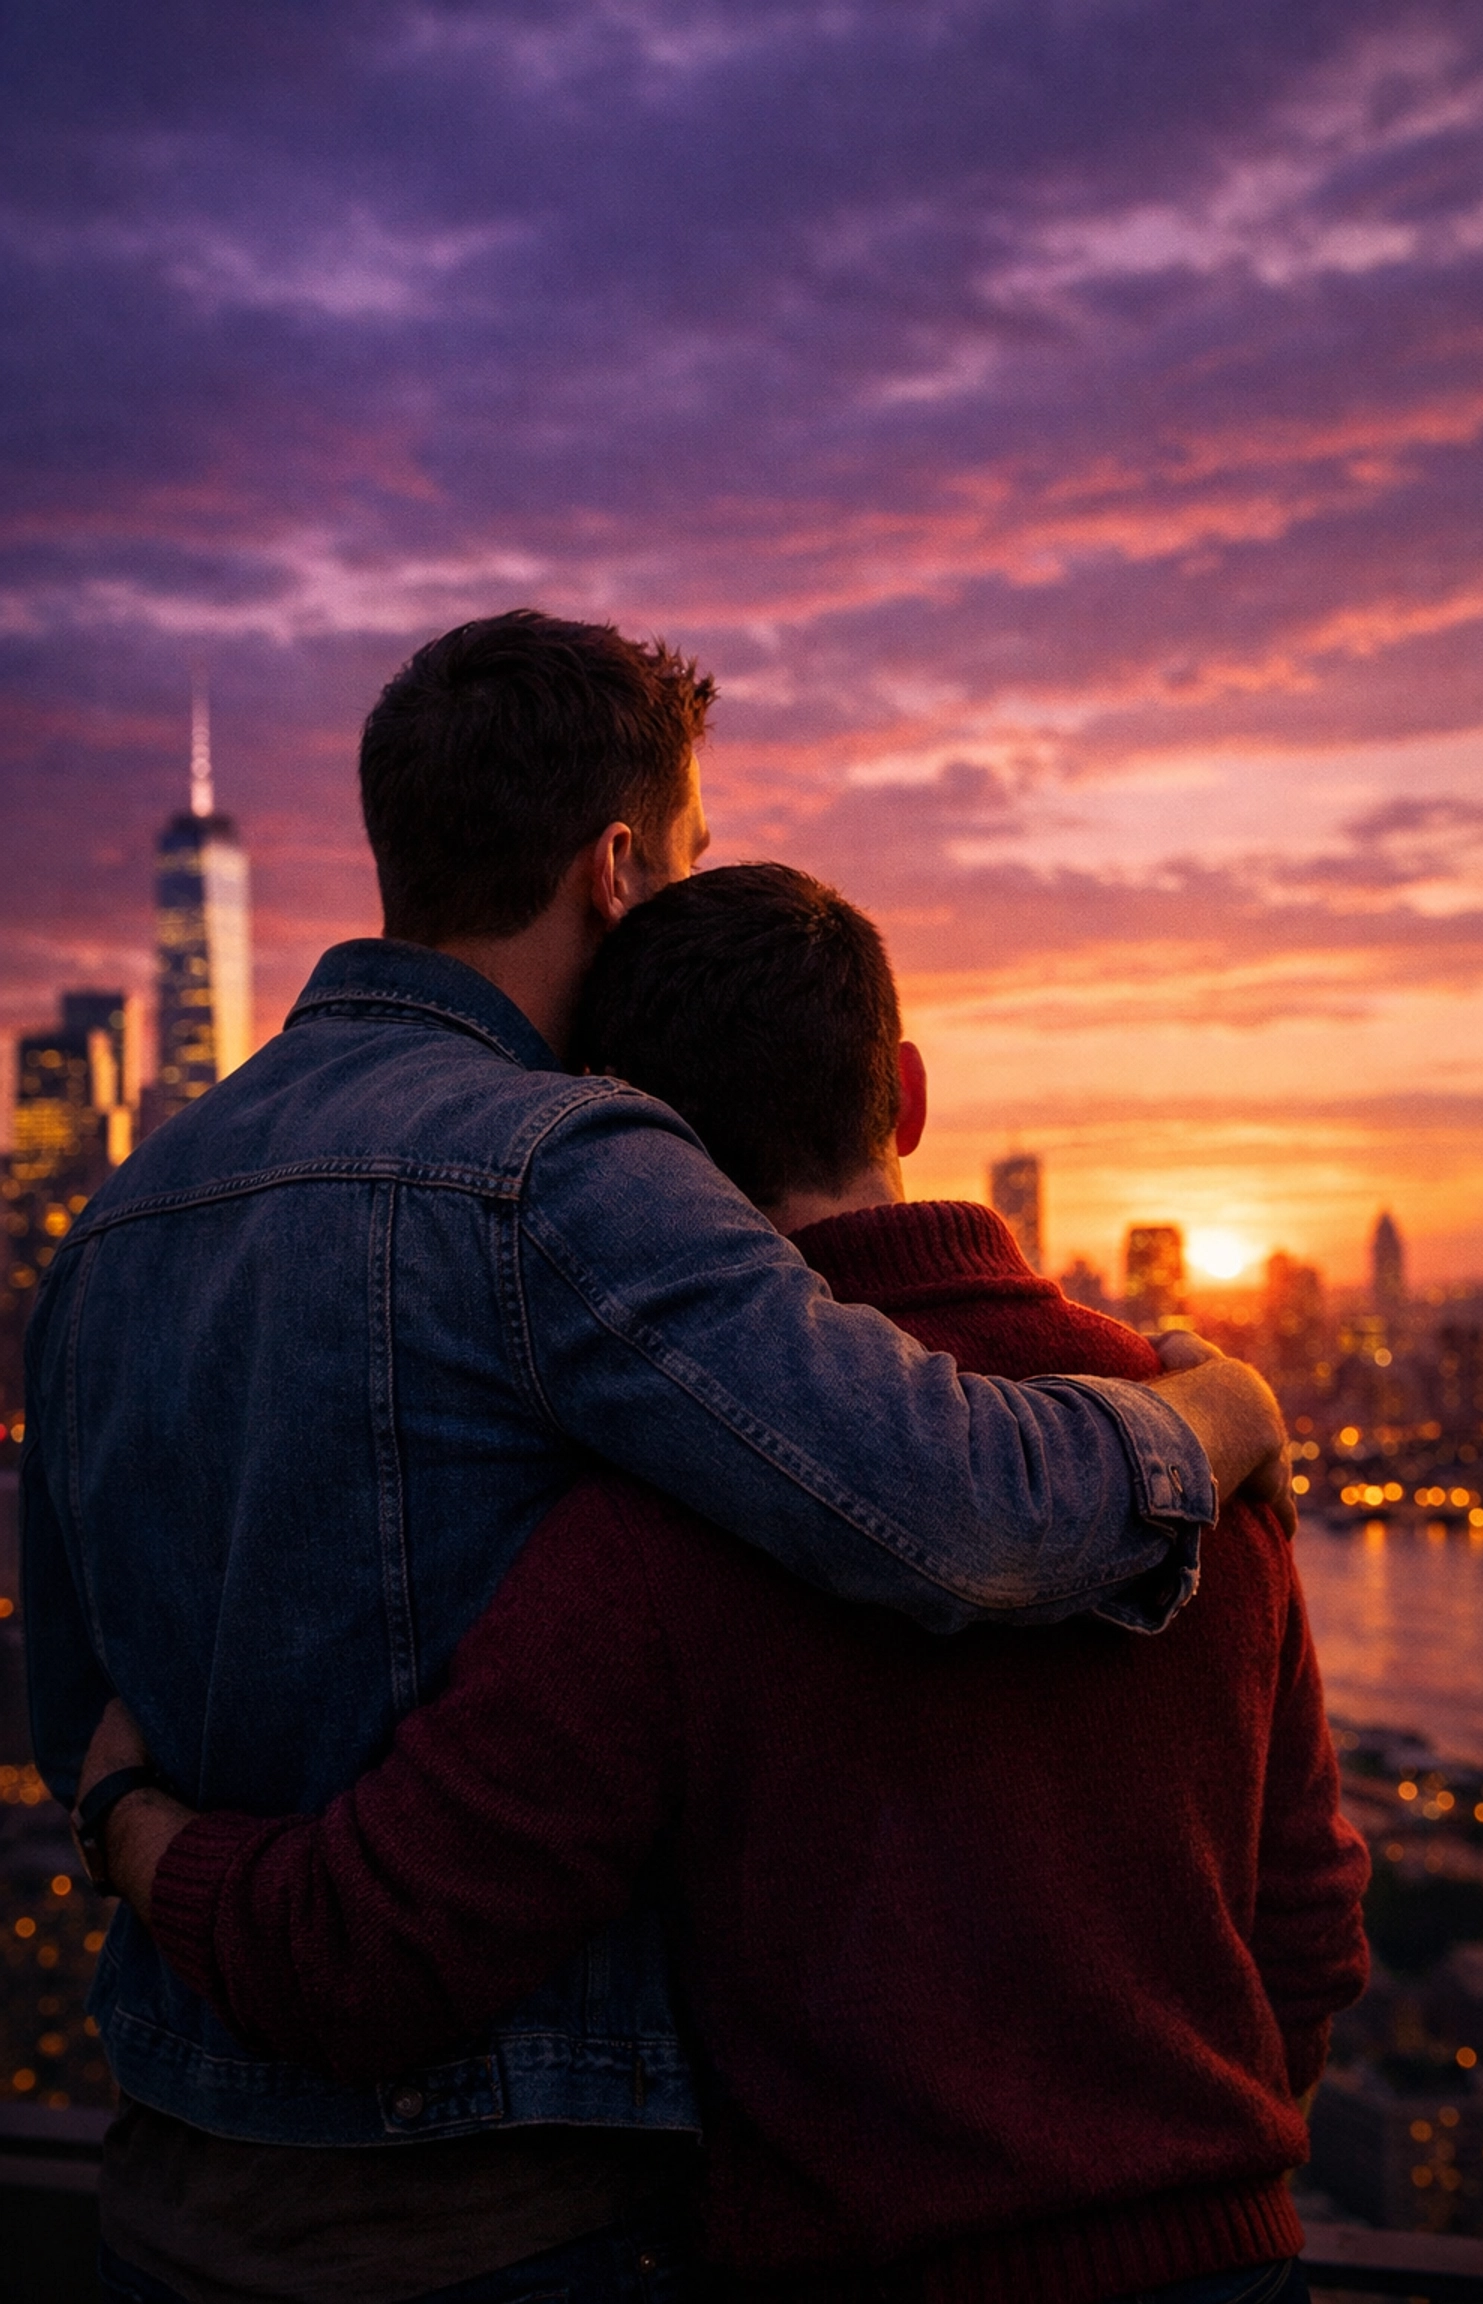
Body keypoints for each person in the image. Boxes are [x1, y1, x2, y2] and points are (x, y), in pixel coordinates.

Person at [26, 614, 1286, 2304]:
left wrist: (126, 1819)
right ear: (620, 868)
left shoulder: (116, 1217)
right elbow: (951, 1510)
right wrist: (1213, 1422)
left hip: (162, 2191)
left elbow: (69, 1687)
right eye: (687, 855)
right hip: (502, 2216)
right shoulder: (558, 1166)